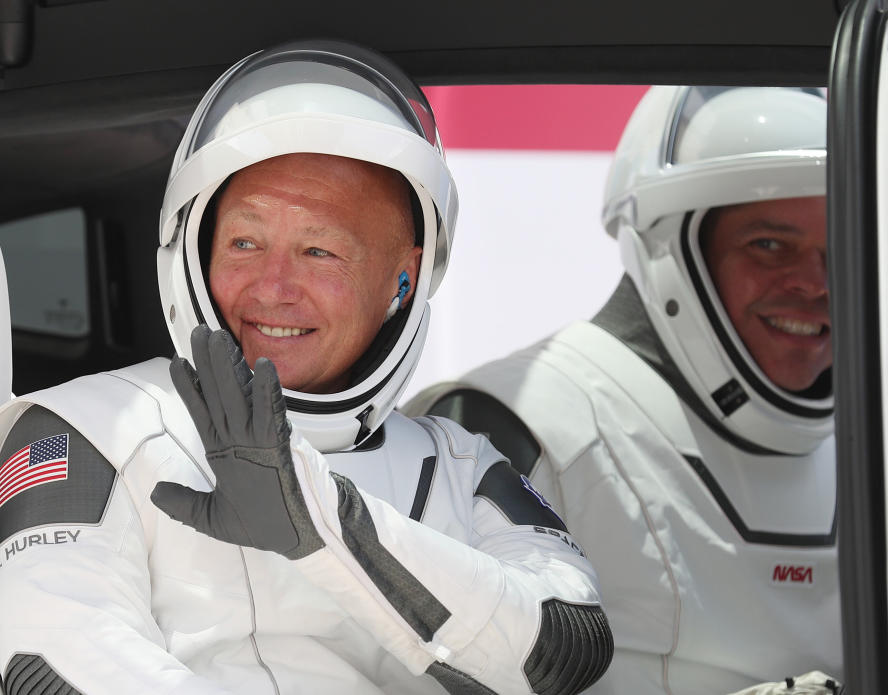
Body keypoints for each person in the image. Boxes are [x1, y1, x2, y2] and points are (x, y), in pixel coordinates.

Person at [0, 41, 613, 695]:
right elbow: (48, 663)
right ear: (194, 247)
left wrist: (326, 524)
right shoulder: (88, 426)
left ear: (403, 280)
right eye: (245, 241)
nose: (273, 286)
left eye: (319, 250)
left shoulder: (459, 463)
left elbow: (565, 646)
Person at [405, 86, 841, 694]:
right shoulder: (510, 426)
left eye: (838, 250)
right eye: (769, 245)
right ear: (675, 251)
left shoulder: (874, 448)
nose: (814, 284)